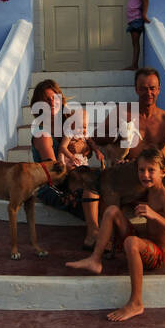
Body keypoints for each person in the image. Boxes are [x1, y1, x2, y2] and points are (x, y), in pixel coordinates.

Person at [66, 147, 165, 321]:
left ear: (163, 172)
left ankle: (136, 302)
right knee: (112, 210)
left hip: (158, 255)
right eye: (141, 170)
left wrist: (154, 215)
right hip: (147, 243)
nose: (145, 175)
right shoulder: (149, 190)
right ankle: (95, 259)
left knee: (132, 242)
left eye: (151, 170)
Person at [29, 79, 102, 246]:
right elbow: (55, 170)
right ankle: (93, 234)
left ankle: (96, 234)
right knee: (88, 189)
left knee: (101, 186)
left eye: (53, 98)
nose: (51, 103)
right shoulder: (42, 134)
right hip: (52, 184)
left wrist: (82, 146)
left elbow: (87, 147)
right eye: (45, 100)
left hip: (74, 174)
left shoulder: (69, 122)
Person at [123, 0, 149, 71]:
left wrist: (144, 15)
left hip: (136, 20)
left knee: (135, 43)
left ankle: (134, 65)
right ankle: (134, 64)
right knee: (134, 43)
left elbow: (145, 0)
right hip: (133, 21)